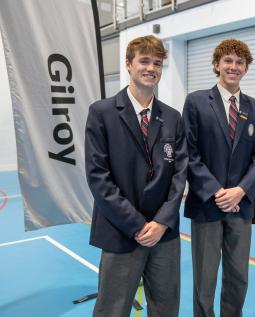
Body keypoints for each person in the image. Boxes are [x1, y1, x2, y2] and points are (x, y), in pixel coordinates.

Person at [85, 35, 187, 317]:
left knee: (166, 307)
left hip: (163, 234)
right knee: (112, 309)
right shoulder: (102, 113)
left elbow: (179, 175)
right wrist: (137, 225)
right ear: (128, 64)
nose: (151, 68)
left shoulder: (172, 117)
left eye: (157, 63)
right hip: (122, 231)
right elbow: (98, 177)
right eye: (144, 61)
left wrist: (162, 222)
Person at [182, 38, 255, 317]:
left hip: (240, 206)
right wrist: (217, 192)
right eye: (228, 61)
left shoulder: (254, 107)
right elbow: (189, 153)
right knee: (205, 279)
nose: (233, 67)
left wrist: (240, 191)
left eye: (239, 62)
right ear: (216, 65)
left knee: (238, 276)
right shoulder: (196, 102)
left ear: (246, 68)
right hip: (208, 204)